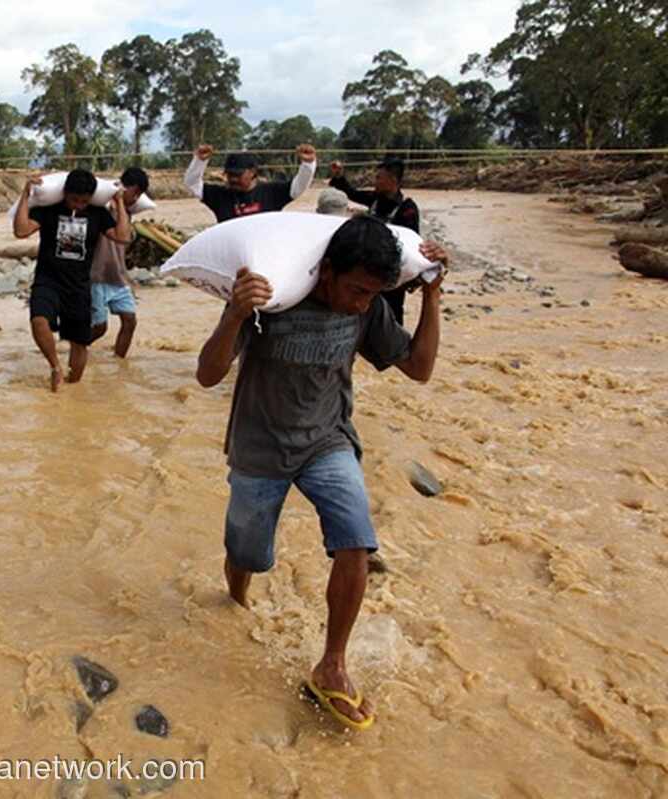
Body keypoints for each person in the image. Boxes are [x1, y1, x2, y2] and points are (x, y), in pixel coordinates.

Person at [195, 215, 448, 732]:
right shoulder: (275, 296)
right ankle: (236, 600)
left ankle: (333, 662)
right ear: (326, 271)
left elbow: (420, 369)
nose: (360, 302)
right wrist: (235, 315)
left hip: (327, 442)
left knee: (356, 541)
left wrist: (432, 296)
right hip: (259, 447)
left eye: (371, 293)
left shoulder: (369, 308)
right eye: (355, 289)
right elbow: (207, 374)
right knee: (246, 557)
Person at [13, 168, 131, 392]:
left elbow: (123, 237)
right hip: (48, 280)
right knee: (39, 321)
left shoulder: (97, 213)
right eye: (74, 199)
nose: (78, 205)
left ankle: (73, 392)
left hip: (78, 286)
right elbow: (20, 231)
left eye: (84, 201)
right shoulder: (48, 210)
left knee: (80, 342)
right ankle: (55, 366)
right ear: (65, 193)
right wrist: (25, 195)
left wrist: (120, 203)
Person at [329, 157, 420, 323]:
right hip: (368, 272)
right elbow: (351, 192)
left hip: (391, 279)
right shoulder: (375, 199)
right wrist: (338, 176)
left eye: (379, 178)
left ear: (392, 180)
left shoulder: (407, 209)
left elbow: (412, 245)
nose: (375, 181)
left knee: (391, 318)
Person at [89, 167, 148, 357]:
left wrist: (122, 202)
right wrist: (118, 199)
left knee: (130, 321)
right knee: (99, 328)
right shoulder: (103, 208)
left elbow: (124, 240)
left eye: (140, 194)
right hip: (97, 276)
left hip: (118, 277)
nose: (137, 197)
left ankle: (119, 362)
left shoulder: (126, 213)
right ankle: (76, 346)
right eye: (135, 192)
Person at [185, 143, 317, 223]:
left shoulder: (273, 192)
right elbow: (192, 184)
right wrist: (199, 161)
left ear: (253, 172)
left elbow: (299, 187)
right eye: (229, 175)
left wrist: (308, 164)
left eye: (238, 175)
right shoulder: (219, 195)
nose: (233, 179)